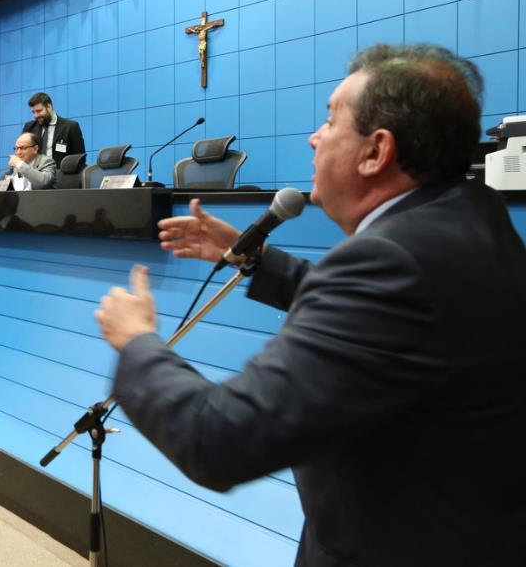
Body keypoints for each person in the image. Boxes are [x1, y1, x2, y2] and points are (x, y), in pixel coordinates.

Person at [95, 44, 526, 566]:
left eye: (329, 121)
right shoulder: (470, 214)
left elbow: (217, 440)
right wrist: (253, 258)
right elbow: (388, 326)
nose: (313, 137)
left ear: (376, 151)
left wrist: (137, 342)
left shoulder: (386, 262)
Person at [21, 92, 86, 167]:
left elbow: (80, 158)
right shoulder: (29, 127)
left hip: (60, 176)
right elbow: (21, 153)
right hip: (34, 175)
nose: (36, 115)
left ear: (49, 107)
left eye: (39, 111)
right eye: (33, 112)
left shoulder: (70, 127)